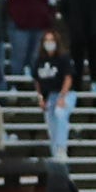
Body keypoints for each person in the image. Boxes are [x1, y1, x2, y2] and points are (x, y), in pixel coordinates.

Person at [0, 0, 52, 80]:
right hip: (19, 27)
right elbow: (1, 2)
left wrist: (47, 20)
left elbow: (49, 2)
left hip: (38, 26)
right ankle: (15, 85)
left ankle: (36, 86)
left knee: (35, 57)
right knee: (19, 56)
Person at [34, 28, 76, 160]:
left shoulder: (63, 58)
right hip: (49, 95)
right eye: (46, 40)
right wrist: (41, 98)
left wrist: (62, 97)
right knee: (51, 125)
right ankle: (55, 155)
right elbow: (37, 81)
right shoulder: (39, 60)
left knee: (60, 113)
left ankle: (61, 148)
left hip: (66, 93)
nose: (49, 43)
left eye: (51, 40)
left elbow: (68, 78)